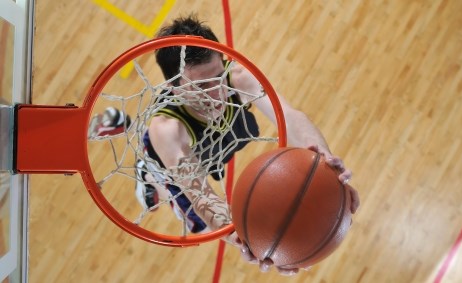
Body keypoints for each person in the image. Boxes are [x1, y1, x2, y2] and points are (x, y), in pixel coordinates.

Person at [131, 14, 360, 275]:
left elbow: (292, 118)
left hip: (217, 145)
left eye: (218, 76)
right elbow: (200, 194)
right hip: (173, 159)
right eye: (201, 86)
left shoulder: (238, 78)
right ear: (174, 88)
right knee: (200, 224)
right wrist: (245, 236)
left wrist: (327, 163)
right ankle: (149, 174)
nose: (216, 91)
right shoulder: (167, 130)